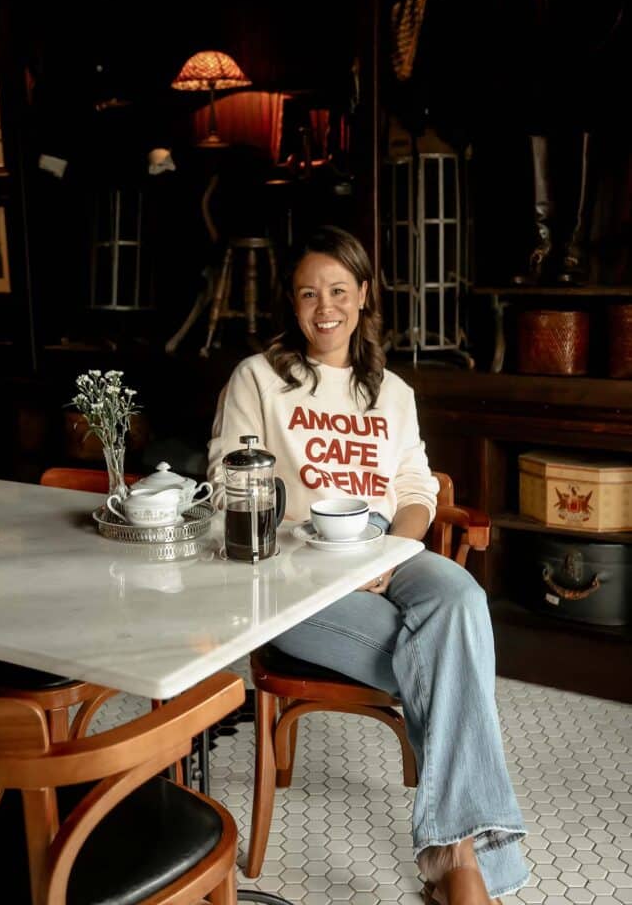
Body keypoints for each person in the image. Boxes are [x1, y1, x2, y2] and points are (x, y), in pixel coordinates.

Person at [208, 225, 528, 905]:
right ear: (290, 306)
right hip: (291, 567)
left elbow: (415, 491)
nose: (324, 308)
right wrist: (319, 552)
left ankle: (454, 858)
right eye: (307, 294)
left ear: (361, 297)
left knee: (461, 601)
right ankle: (460, 864)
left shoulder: (391, 391)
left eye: (337, 291)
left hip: (385, 544)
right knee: (449, 654)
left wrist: (385, 554)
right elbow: (228, 479)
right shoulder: (258, 379)